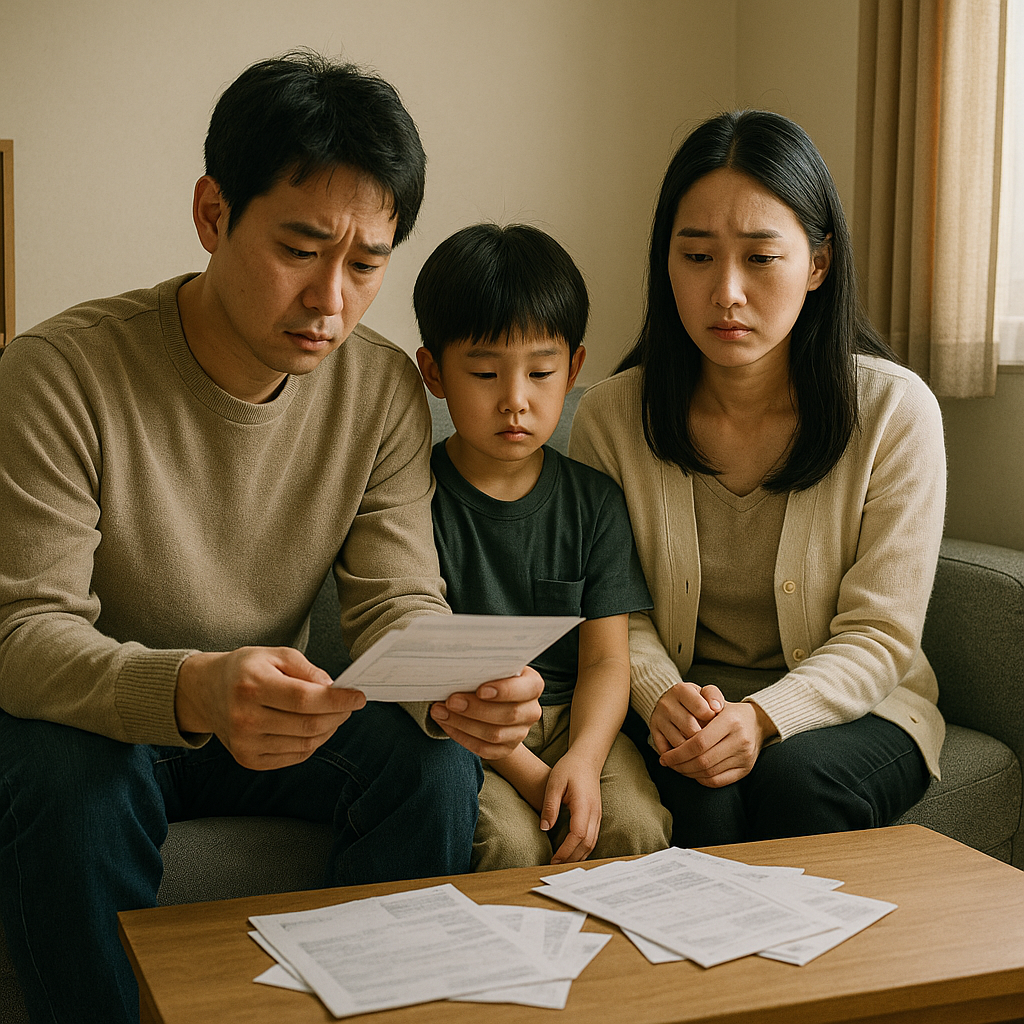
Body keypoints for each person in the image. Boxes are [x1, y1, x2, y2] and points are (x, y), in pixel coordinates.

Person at [0, 53, 544, 1024]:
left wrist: (452, 687)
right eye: (299, 248)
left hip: (258, 714)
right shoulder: (58, 372)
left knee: (428, 762)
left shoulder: (376, 387)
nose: (330, 299)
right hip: (93, 721)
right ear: (213, 213)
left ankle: (376, 1007)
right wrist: (192, 685)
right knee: (70, 771)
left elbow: (393, 600)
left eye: (367, 264)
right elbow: (22, 636)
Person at [568, 110, 946, 848]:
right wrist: (661, 697)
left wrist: (766, 717)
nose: (727, 292)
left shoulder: (896, 412)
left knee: (794, 782)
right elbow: (613, 614)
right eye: (698, 256)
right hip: (684, 703)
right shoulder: (611, 417)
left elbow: (880, 633)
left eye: (760, 258)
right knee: (697, 800)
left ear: (817, 263)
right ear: (666, 264)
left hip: (861, 704)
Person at [414, 222, 672, 869]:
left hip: (582, 725)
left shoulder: (594, 501)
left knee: (634, 829)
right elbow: (431, 677)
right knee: (508, 842)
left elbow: (609, 662)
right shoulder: (411, 500)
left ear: (574, 368)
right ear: (435, 372)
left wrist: (582, 760)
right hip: (469, 733)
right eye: (484, 372)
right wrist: (531, 776)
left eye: (540, 371)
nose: (515, 401)